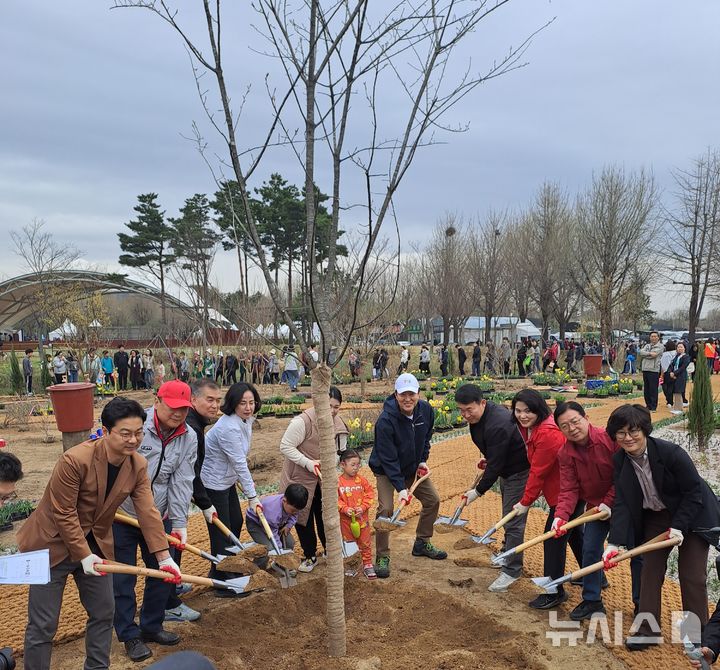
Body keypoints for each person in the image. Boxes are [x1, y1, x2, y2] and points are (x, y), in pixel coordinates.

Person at [18, 397, 178, 669]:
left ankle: (97, 667)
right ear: (106, 432)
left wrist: (163, 556)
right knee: (43, 624)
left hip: (96, 546)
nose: (133, 440)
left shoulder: (137, 465)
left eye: (139, 432)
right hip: (51, 545)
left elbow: (147, 510)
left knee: (104, 612)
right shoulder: (75, 460)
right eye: (125, 433)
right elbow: (64, 513)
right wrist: (83, 554)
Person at [603, 404, 720, 651]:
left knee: (692, 575)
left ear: (645, 430)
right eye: (621, 433)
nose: (628, 438)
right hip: (656, 517)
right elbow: (622, 502)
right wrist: (614, 543)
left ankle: (696, 635)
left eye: (633, 431)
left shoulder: (671, 453)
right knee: (649, 571)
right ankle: (648, 630)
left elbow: (693, 493)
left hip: (693, 515)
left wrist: (679, 527)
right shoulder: (620, 461)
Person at [113, 382, 198, 662]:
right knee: (123, 576)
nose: (178, 414)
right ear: (158, 400)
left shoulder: (189, 437)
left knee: (164, 572)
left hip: (159, 515)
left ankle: (151, 625)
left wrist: (179, 521)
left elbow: (182, 480)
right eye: (173, 407)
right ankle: (129, 635)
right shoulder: (137, 429)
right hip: (123, 514)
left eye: (184, 409)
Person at [552, 401, 641, 621]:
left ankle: (642, 603)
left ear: (586, 418)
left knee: (637, 554)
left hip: (626, 506)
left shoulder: (610, 440)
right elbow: (569, 488)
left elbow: (623, 476)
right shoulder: (565, 454)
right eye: (565, 426)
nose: (572, 428)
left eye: (575, 421)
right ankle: (592, 600)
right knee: (590, 550)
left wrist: (609, 502)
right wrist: (561, 516)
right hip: (595, 510)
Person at [510, 389, 584, 607]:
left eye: (528, 411)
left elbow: (538, 471)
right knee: (574, 535)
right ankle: (595, 576)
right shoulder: (532, 429)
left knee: (553, 539)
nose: (523, 415)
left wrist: (525, 502)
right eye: (518, 411)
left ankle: (554, 592)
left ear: (539, 410)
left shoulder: (548, 433)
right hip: (560, 492)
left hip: (567, 494)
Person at [369, 373, 446, 578]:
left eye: (411, 394)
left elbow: (426, 436)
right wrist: (401, 489)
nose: (407, 399)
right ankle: (382, 555)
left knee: (432, 500)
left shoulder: (426, 411)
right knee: (386, 508)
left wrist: (422, 460)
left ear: (418, 394)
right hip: (386, 470)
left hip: (412, 466)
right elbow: (388, 458)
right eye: (403, 395)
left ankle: (422, 542)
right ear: (395, 395)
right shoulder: (386, 421)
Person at [456, 383, 530, 593]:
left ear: (483, 403)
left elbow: (497, 464)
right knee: (508, 514)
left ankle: (512, 570)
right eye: (461, 410)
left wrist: (478, 491)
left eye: (469, 409)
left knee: (513, 519)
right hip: (506, 468)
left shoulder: (497, 423)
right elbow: (495, 457)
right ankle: (507, 553)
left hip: (519, 472)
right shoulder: (480, 418)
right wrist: (488, 458)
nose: (465, 415)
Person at [164, 378, 222, 622]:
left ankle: (173, 587)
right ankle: (169, 604)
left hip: (176, 498)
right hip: (167, 502)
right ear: (193, 401)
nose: (215, 406)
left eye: (218, 401)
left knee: (174, 548)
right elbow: (190, 474)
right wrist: (205, 503)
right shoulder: (191, 430)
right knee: (169, 549)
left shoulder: (195, 426)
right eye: (209, 400)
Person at [278, 386, 348, 573]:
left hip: (323, 479)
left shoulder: (338, 424)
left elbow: (338, 451)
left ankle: (329, 551)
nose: (332, 410)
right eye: (328, 405)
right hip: (299, 478)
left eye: (336, 407)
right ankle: (310, 555)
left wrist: (330, 463)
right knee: (303, 517)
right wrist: (309, 463)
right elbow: (285, 446)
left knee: (325, 515)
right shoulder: (303, 422)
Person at [201, 382, 262, 577]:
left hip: (227, 480)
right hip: (213, 482)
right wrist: (252, 497)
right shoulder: (228, 427)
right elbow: (239, 462)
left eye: (251, 402)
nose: (248, 407)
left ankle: (220, 569)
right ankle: (224, 578)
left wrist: (245, 485)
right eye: (243, 403)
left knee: (235, 521)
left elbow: (239, 459)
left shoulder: (246, 421)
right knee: (222, 532)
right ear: (234, 403)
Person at [245, 484, 308, 570]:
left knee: (289, 543)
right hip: (257, 524)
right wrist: (279, 551)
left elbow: (295, 515)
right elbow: (272, 535)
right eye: (293, 510)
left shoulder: (292, 505)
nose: (295, 512)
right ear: (284, 501)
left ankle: (280, 565)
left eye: (296, 510)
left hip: (276, 524)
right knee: (267, 549)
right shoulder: (273, 512)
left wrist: (288, 525)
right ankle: (257, 571)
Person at [338, 449, 376, 579]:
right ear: (343, 465)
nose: (356, 468)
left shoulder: (362, 481)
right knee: (349, 544)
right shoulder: (338, 483)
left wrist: (363, 507)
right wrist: (344, 509)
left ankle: (367, 564)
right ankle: (351, 565)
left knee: (365, 542)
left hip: (362, 520)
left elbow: (370, 494)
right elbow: (335, 500)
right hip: (346, 522)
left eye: (358, 465)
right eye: (352, 465)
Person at [638, 332, 664, 411]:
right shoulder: (647, 345)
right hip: (645, 369)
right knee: (646, 388)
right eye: (652, 336)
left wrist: (646, 354)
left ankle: (653, 406)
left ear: (658, 338)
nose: (653, 338)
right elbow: (641, 352)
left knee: (653, 389)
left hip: (654, 370)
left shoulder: (660, 346)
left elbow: (654, 355)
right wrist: (649, 353)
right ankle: (648, 405)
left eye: (655, 336)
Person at [666, 341, 690, 415]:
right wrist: (670, 372)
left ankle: (679, 408)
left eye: (681, 347)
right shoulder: (676, 356)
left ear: (684, 348)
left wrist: (675, 373)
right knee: (675, 391)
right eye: (678, 347)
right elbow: (671, 365)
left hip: (681, 376)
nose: (679, 348)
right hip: (674, 376)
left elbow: (683, 367)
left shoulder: (686, 357)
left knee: (679, 391)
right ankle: (676, 407)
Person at [659, 340, 677, 408]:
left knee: (664, 386)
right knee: (671, 387)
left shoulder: (664, 354)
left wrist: (661, 374)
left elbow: (662, 365)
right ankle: (671, 401)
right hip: (673, 372)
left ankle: (669, 400)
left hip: (665, 372)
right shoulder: (676, 353)